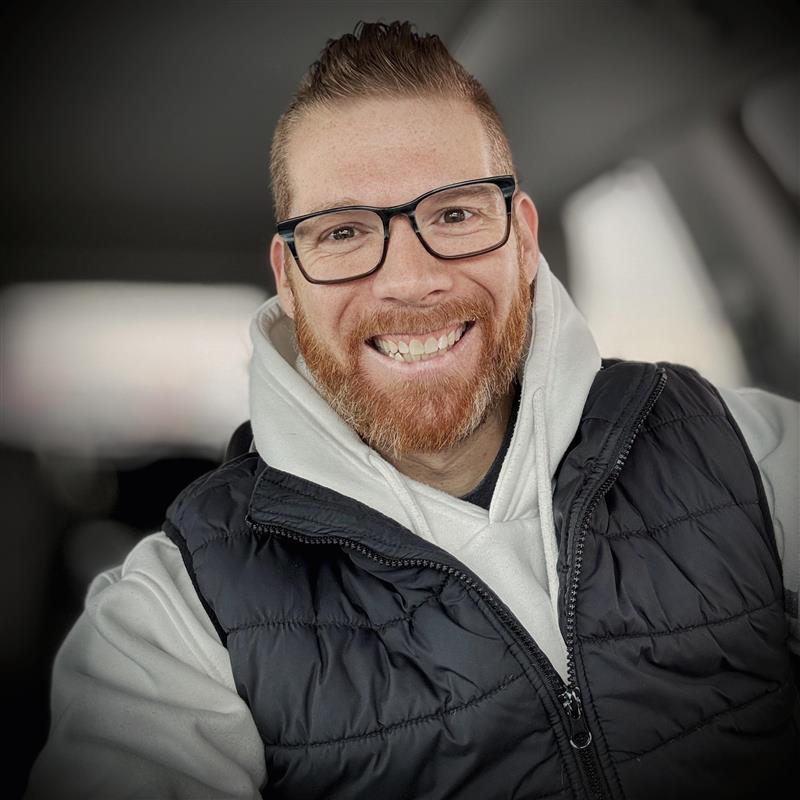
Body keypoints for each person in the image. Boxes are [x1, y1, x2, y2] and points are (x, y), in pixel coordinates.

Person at [26, 20, 798, 800]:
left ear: (523, 241)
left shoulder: (750, 453)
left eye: (455, 215)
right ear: (289, 281)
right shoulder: (177, 615)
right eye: (344, 231)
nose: (409, 280)